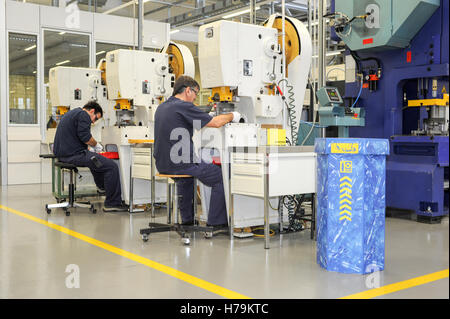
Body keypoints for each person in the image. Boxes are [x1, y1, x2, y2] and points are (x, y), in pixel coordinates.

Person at [154, 75, 241, 227]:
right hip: (181, 164)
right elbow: (216, 122)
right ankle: (216, 223)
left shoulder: (162, 107)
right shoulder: (184, 106)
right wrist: (233, 115)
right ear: (188, 90)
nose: (195, 98)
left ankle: (187, 221)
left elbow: (194, 122)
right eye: (195, 93)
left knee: (186, 178)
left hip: (163, 164)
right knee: (221, 177)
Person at [53, 101, 127, 212]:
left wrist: (89, 149)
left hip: (64, 155)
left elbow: (76, 137)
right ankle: (112, 203)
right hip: (73, 156)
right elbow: (86, 137)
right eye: (96, 118)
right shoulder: (84, 115)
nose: (93, 122)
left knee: (95, 160)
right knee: (111, 167)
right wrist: (97, 145)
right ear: (92, 111)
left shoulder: (72, 113)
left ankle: (102, 187)